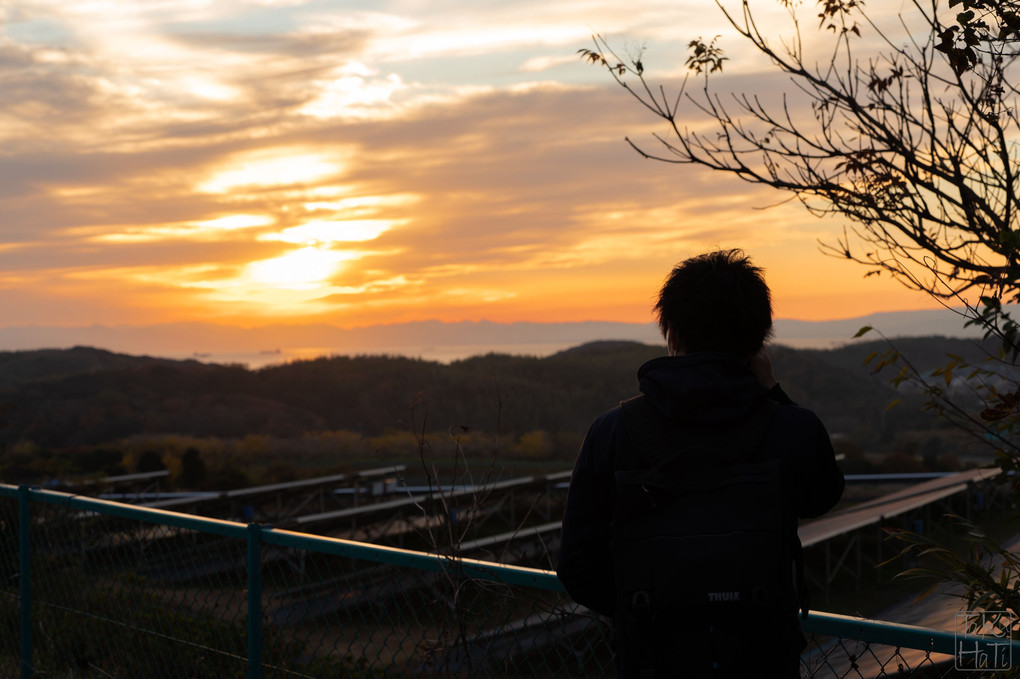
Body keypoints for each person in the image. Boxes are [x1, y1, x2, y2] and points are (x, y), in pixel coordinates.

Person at [556, 249, 844, 678]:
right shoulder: (791, 427)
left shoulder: (613, 431)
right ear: (758, 339)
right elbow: (822, 495)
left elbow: (577, 565)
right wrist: (772, 392)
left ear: (671, 332)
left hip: (651, 661)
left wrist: (643, 610)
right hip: (762, 658)